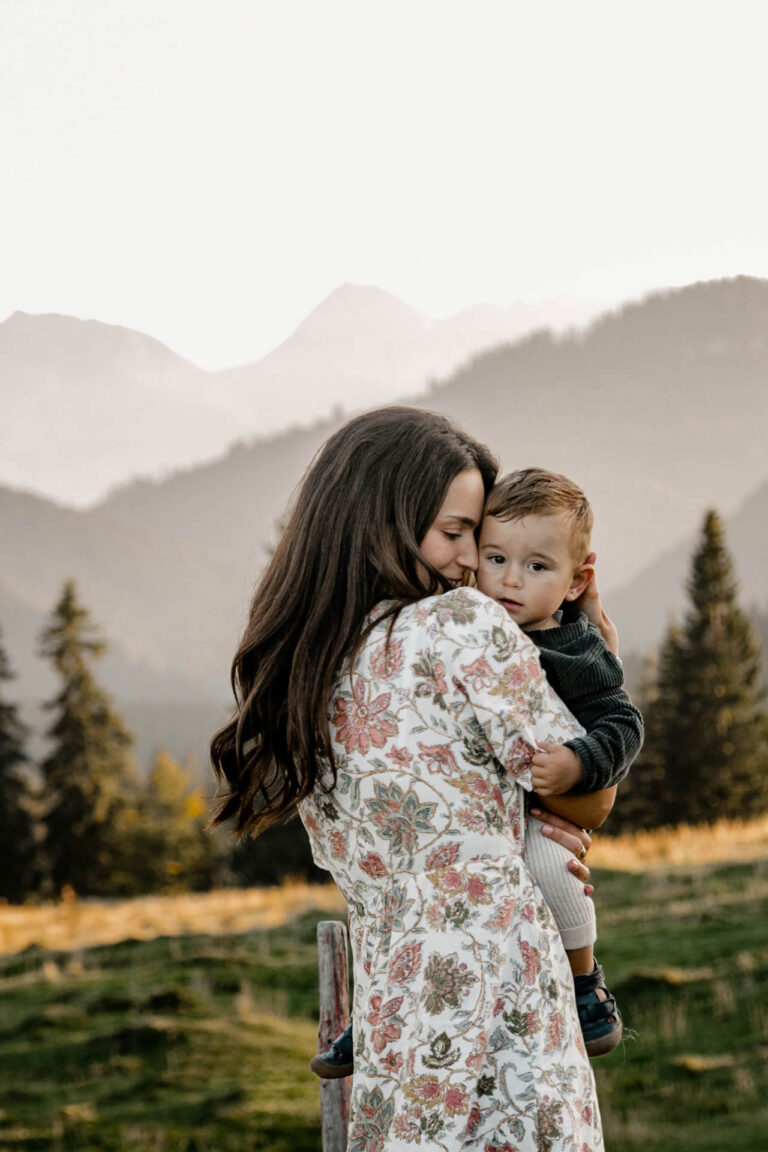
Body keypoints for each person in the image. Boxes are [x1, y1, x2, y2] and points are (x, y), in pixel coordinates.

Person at [211, 408, 609, 1151]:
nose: (470, 562)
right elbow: (591, 792)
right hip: (500, 989)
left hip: (396, 1013)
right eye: (455, 533)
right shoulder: (461, 626)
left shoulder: (303, 674)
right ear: (379, 522)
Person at [311, 467, 640, 1081]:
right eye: (492, 556)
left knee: (548, 865)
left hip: (526, 816)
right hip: (459, 847)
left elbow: (616, 729)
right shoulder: (454, 624)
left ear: (575, 580)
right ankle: (377, 1007)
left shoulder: (567, 643)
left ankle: (584, 982)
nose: (503, 577)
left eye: (536, 567)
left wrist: (581, 761)